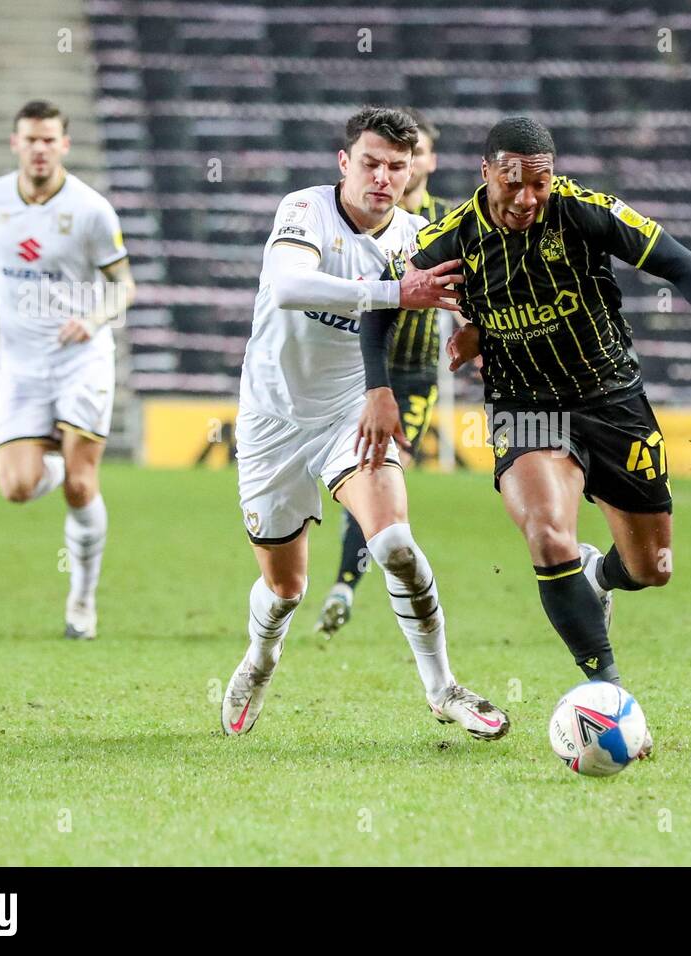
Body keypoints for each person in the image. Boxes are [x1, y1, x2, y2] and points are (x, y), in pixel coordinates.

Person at [358, 117, 691, 754]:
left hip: (612, 401)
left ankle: (601, 579)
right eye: (513, 184)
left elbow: (686, 267)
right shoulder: (453, 236)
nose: (528, 198)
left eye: (540, 183)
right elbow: (380, 307)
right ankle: (607, 692)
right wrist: (380, 389)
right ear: (485, 176)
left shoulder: (585, 211)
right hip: (525, 406)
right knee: (548, 532)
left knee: (652, 568)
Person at [220, 107, 508, 741]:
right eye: (371, 163)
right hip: (272, 419)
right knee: (287, 588)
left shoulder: (415, 234)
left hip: (350, 414)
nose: (383, 178)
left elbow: (467, 294)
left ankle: (442, 687)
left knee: (396, 547)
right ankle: (260, 659)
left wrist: (476, 330)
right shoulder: (305, 210)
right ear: (344, 163)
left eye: (397, 167)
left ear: (413, 171)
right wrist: (391, 295)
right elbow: (289, 286)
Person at [0, 99, 135, 640]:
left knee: (81, 487)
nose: (39, 148)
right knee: (17, 488)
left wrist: (94, 319)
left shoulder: (91, 209)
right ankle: (63, 463)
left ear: (64, 145)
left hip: (81, 360)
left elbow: (124, 285)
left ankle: (82, 606)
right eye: (30, 139)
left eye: (49, 140)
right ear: (14, 143)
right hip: (20, 368)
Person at [313, 107, 454, 637]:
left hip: (414, 376)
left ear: (427, 161)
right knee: (365, 476)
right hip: (357, 369)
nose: (399, 168)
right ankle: (342, 583)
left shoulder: (445, 224)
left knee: (378, 472)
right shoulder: (356, 219)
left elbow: (464, 290)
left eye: (411, 156)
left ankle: (345, 584)